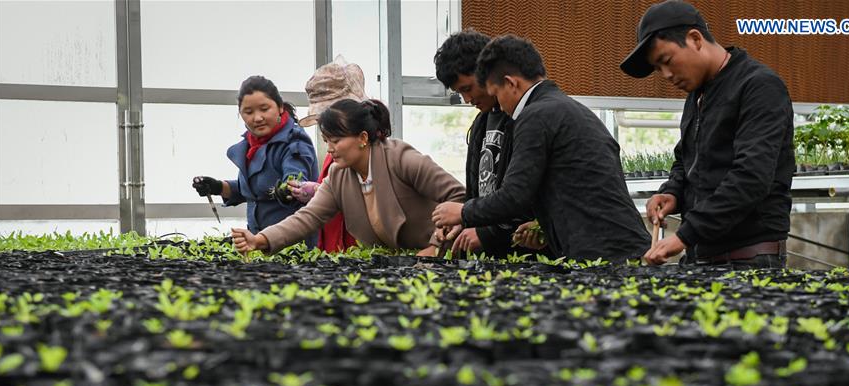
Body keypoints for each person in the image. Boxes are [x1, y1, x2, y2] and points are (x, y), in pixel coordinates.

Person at [432, 35, 651, 262]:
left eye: (495, 93)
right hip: (610, 248)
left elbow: (515, 196)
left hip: (604, 252)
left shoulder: (535, 115)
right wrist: (543, 227)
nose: (470, 100)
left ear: (510, 83)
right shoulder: (561, 108)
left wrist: (463, 213)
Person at [621, 0, 794, 268]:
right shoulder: (698, 95)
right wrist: (672, 193)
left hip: (749, 259)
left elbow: (751, 177)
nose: (666, 75)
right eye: (657, 68)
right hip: (704, 257)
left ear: (695, 39)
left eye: (666, 61)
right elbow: (687, 160)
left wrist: (685, 235)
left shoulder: (758, 86)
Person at [231, 99, 464, 257]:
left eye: (336, 140)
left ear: (362, 138)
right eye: (326, 140)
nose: (330, 149)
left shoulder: (402, 159)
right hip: (403, 265)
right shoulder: (338, 175)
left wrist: (436, 245)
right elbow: (308, 217)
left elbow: (459, 196)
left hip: (445, 257)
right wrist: (260, 240)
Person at [434, 29, 534, 257]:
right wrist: (463, 221)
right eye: (460, 93)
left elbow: (523, 198)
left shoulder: (526, 118)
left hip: (526, 254)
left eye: (467, 89)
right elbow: (477, 193)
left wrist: (487, 233)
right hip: (493, 255)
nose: (467, 100)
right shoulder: (482, 122)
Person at [192, 75, 319, 247]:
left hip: (292, 246)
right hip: (257, 244)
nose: (257, 118)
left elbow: (296, 180)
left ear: (280, 107)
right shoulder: (252, 145)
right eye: (249, 112)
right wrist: (217, 187)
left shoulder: (295, 142)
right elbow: (254, 191)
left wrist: (288, 188)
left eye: (264, 109)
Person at [291, 58, 367, 253]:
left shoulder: (371, 149)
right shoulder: (335, 149)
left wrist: (321, 192)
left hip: (361, 248)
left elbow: (376, 198)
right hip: (334, 248)